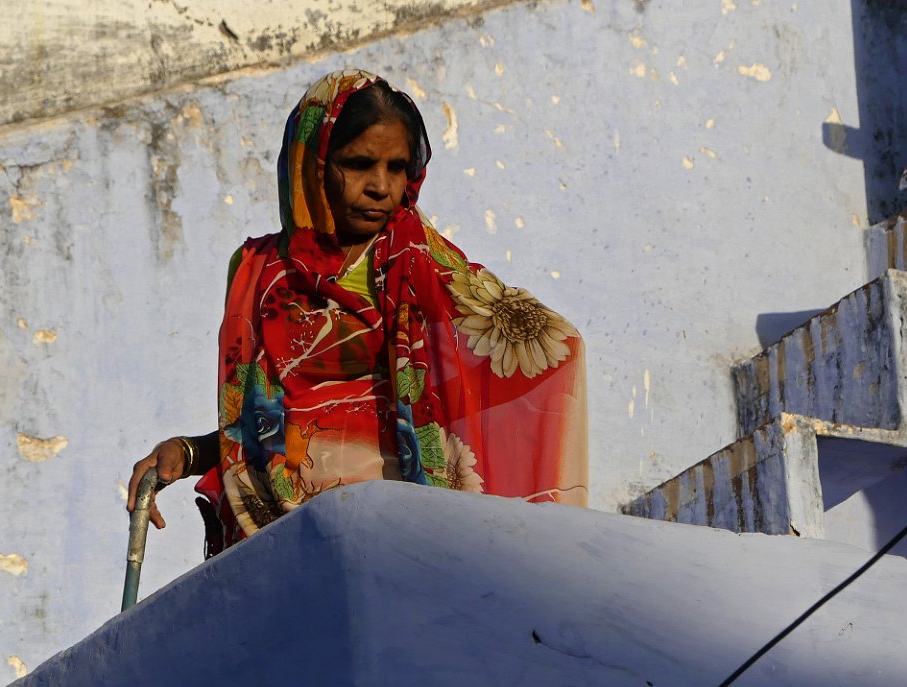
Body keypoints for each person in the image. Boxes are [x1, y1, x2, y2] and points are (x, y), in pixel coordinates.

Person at [128, 69, 588, 557]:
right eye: (359, 164)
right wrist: (190, 452)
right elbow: (259, 431)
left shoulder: (425, 269)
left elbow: (552, 351)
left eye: (397, 167)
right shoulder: (255, 271)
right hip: (283, 546)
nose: (381, 187)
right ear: (312, 164)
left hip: (397, 539)